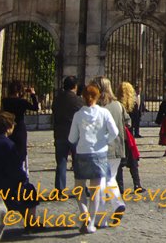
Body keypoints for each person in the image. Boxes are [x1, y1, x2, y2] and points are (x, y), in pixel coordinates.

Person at [68, 84, 119, 234]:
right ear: (98, 97)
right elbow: (114, 132)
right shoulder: (104, 113)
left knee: (79, 189)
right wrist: (104, 140)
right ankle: (91, 222)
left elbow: (72, 138)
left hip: (82, 154)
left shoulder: (78, 115)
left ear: (83, 97)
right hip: (100, 154)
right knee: (95, 192)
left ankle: (85, 217)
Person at [0, 112, 40, 226]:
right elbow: (14, 169)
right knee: (29, 190)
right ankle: (31, 222)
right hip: (1, 185)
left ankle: (29, 221)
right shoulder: (8, 144)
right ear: (8, 127)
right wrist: (24, 178)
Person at [93, 76, 127, 214]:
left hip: (101, 148)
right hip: (117, 147)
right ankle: (117, 203)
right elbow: (127, 122)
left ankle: (100, 214)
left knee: (100, 181)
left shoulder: (97, 106)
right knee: (110, 177)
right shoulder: (118, 105)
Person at [51, 75, 84, 191]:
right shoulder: (78, 100)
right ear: (75, 86)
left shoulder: (57, 99)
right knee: (78, 163)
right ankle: (81, 188)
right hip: (74, 134)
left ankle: (60, 189)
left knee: (61, 162)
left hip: (60, 133)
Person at [0, 80, 39, 170]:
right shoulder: (22, 102)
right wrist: (32, 94)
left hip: (8, 126)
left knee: (9, 148)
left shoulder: (5, 101)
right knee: (20, 150)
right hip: (19, 127)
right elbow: (35, 107)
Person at [116, 81, 144, 192]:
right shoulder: (133, 105)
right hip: (129, 135)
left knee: (119, 163)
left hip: (119, 135)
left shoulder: (117, 104)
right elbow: (134, 120)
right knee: (133, 162)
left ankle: (120, 186)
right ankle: (137, 184)